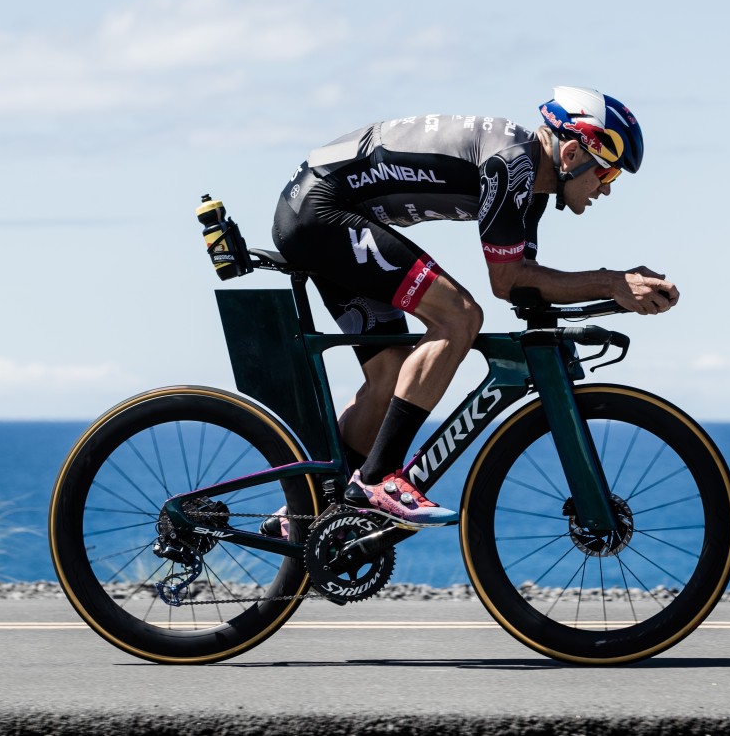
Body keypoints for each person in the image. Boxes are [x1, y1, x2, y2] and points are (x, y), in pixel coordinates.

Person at [269, 86, 678, 528]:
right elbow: (506, 282)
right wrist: (612, 282)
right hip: (321, 212)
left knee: (389, 373)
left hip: (324, 209)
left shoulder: (531, 182)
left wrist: (615, 292)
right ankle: (378, 481)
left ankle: (309, 512)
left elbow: (527, 283)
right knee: (458, 315)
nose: (607, 190)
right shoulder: (512, 163)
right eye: (608, 174)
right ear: (574, 153)